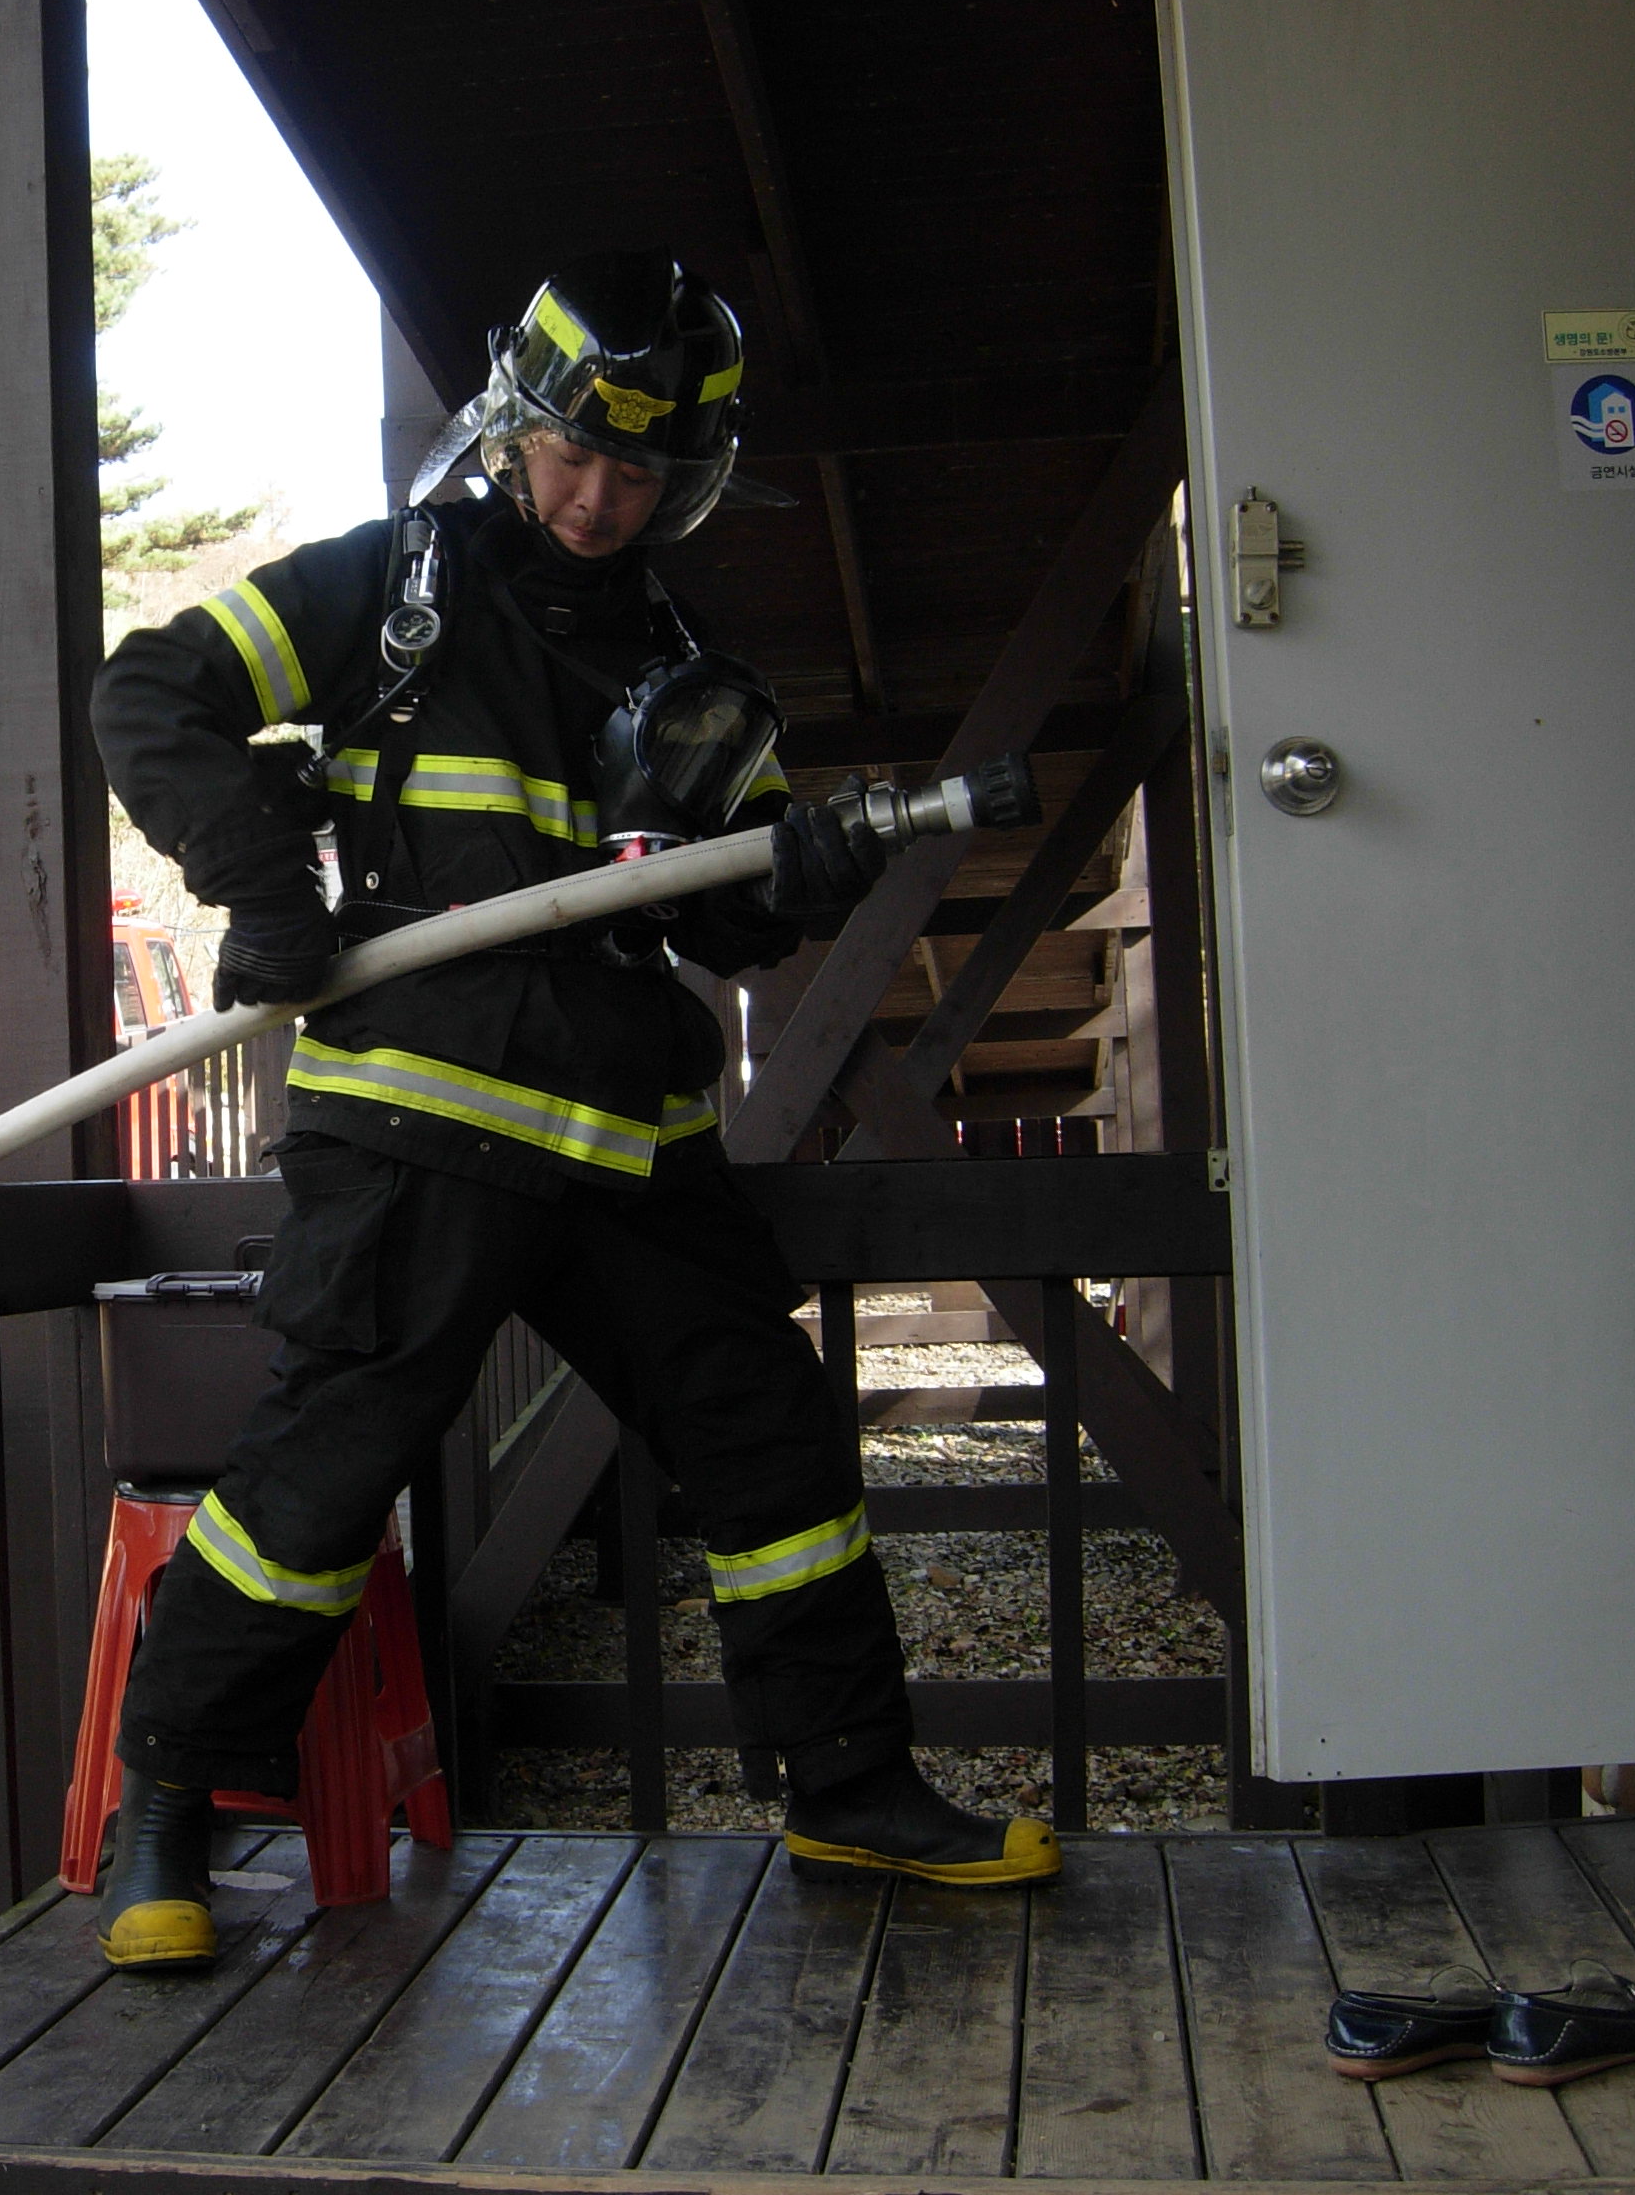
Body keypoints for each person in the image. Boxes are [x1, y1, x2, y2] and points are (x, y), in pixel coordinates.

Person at [85, 252, 1056, 1972]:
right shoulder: (390, 587)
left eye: (643, 473)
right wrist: (261, 883)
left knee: (771, 1449)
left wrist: (797, 870)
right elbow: (149, 694)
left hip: (626, 1151)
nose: (600, 499)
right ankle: (163, 1813)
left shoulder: (693, 676)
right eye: (576, 454)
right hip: (416, 1127)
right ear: (511, 425)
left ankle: (850, 1783)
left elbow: (724, 924)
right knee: (323, 1473)